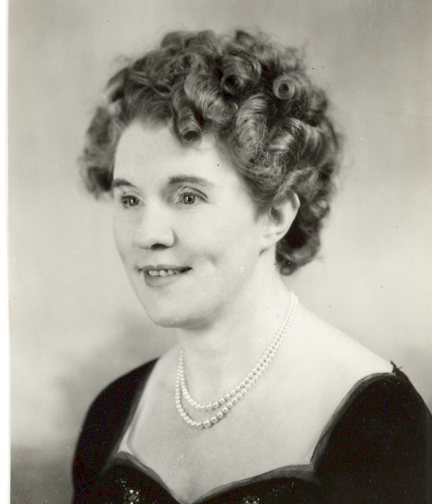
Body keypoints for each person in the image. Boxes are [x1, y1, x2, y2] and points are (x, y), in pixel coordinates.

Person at [73, 30, 431, 504]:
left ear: (276, 215)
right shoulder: (111, 413)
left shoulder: (381, 423)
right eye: (130, 198)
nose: (146, 234)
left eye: (188, 196)